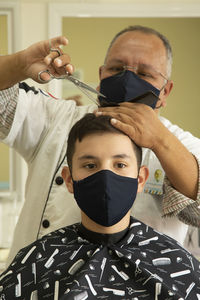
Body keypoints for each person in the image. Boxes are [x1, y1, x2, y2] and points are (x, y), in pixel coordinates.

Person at [0, 26, 200, 266]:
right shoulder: (54, 119)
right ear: (101, 74)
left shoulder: (181, 144)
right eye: (116, 69)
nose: (127, 79)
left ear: (165, 91)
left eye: (145, 73)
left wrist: (160, 140)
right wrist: (19, 64)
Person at [0, 113, 200, 300]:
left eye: (119, 165)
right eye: (90, 166)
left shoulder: (178, 264)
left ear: (140, 179)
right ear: (69, 179)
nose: (105, 178)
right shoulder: (36, 262)